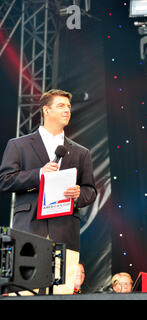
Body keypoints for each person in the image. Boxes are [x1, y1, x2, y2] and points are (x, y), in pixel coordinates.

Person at [0, 89, 97, 252]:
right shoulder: (18, 145)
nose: (67, 110)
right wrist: (38, 174)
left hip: (65, 232)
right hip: (29, 228)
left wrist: (78, 194)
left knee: (63, 277)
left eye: (68, 106)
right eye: (60, 106)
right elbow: (4, 181)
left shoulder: (81, 152)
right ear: (46, 110)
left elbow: (90, 190)